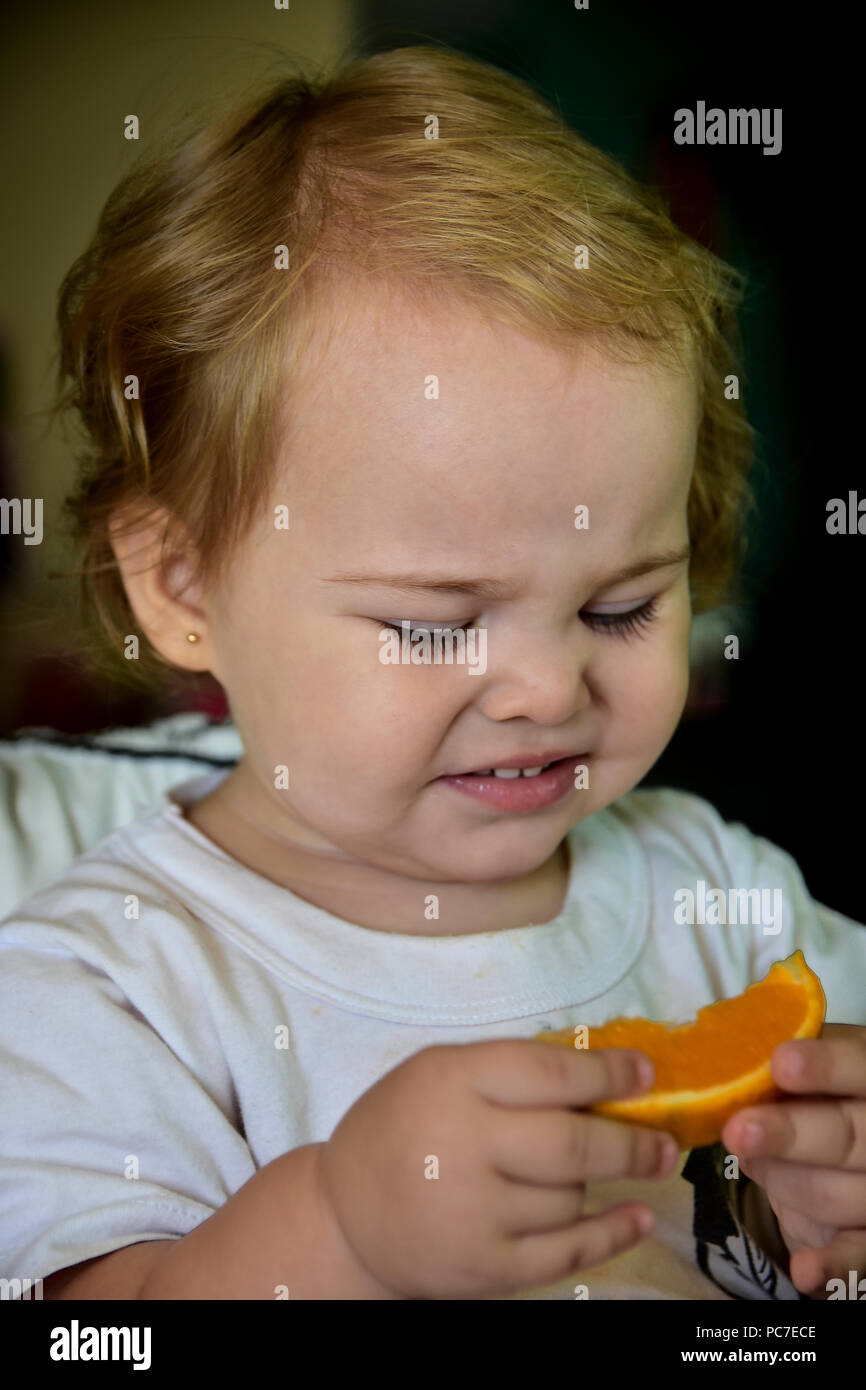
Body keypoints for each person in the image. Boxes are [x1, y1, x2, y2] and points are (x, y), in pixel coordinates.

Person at [1, 45, 864, 1303]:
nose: (542, 689)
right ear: (183, 588)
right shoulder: (109, 976)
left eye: (619, 605)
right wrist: (338, 1232)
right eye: (436, 625)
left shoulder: (721, 892)